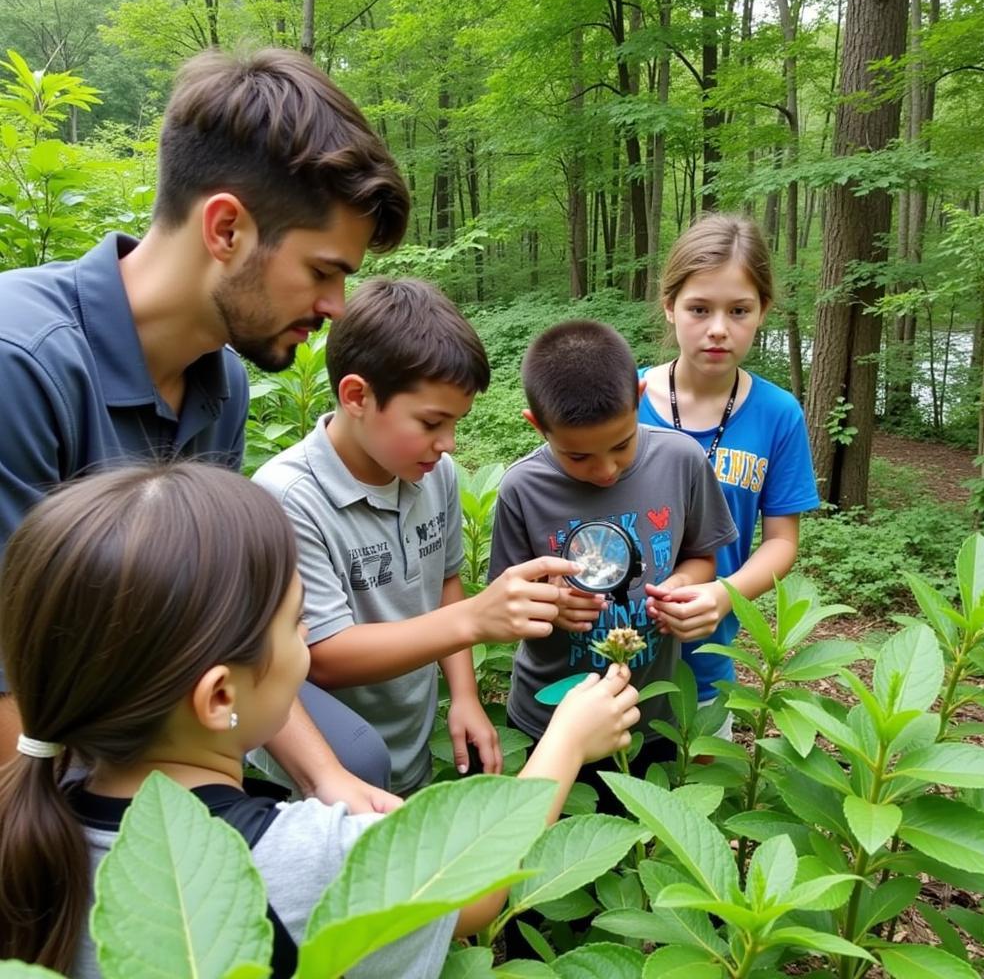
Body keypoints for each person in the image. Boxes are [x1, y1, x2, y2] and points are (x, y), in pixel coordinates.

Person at [0, 462, 640, 975]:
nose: (308, 640)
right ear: (219, 697)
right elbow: (475, 891)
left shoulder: (34, 820)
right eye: (298, 621)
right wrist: (565, 742)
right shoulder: (300, 859)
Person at [0, 47, 410, 808]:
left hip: (153, 688)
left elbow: (217, 614)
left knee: (355, 757)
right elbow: (12, 693)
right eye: (323, 270)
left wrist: (329, 783)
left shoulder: (219, 380)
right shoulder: (21, 364)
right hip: (50, 726)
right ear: (226, 229)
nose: (338, 308)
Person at [254, 279, 595, 794]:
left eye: (456, 423)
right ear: (356, 396)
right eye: (432, 422)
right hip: (314, 778)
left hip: (407, 748)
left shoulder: (433, 474)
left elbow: (445, 581)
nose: (448, 443)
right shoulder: (288, 499)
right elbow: (325, 657)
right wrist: (476, 620)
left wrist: (464, 694)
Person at [488, 320, 738, 786]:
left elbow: (702, 556)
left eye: (620, 445)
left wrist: (682, 586)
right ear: (537, 425)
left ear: (639, 396)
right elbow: (506, 606)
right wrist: (551, 603)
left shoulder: (681, 460)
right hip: (552, 719)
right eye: (577, 457)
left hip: (653, 714)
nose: (605, 470)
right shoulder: (522, 488)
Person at [637, 214, 819, 711]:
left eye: (739, 310)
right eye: (699, 308)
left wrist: (724, 594)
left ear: (763, 311)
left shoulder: (778, 414)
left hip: (706, 668)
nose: (719, 329)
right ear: (669, 307)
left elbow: (781, 542)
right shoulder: (622, 400)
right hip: (609, 659)